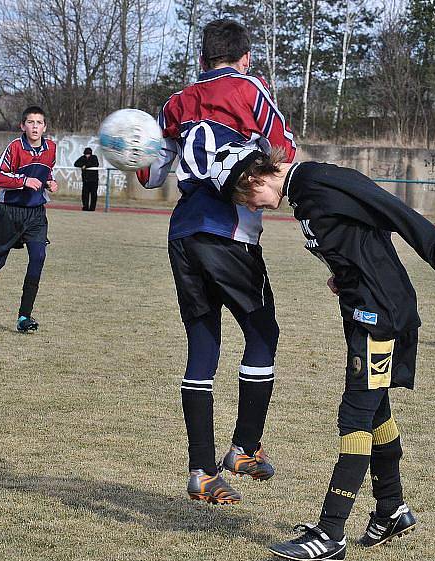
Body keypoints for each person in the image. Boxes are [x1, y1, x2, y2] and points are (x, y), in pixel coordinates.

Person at [209, 144, 435, 561]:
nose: (252, 207)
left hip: (377, 313)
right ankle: (391, 510)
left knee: (356, 414)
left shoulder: (316, 179)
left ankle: (330, 534)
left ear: (255, 179)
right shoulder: (302, 196)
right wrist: (343, 275)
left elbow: (383, 204)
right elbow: (358, 237)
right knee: (376, 409)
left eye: (245, 199)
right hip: (362, 305)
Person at [136, 19, 296, 504]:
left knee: (203, 342)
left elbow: (149, 175)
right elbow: (284, 151)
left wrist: (128, 151)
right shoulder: (250, 88)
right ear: (245, 58)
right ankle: (244, 448)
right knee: (262, 333)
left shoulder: (174, 104)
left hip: (182, 232)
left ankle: (201, 471)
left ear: (201, 59)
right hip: (229, 235)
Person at [0, 106, 57, 331]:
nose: (35, 127)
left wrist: (49, 182)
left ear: (44, 127)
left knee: (38, 258)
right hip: (9, 212)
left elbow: (47, 172)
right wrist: (23, 181)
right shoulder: (15, 147)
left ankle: (24, 317)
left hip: (36, 214)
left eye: (39, 123)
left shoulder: (51, 148)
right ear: (22, 126)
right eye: (30, 122)